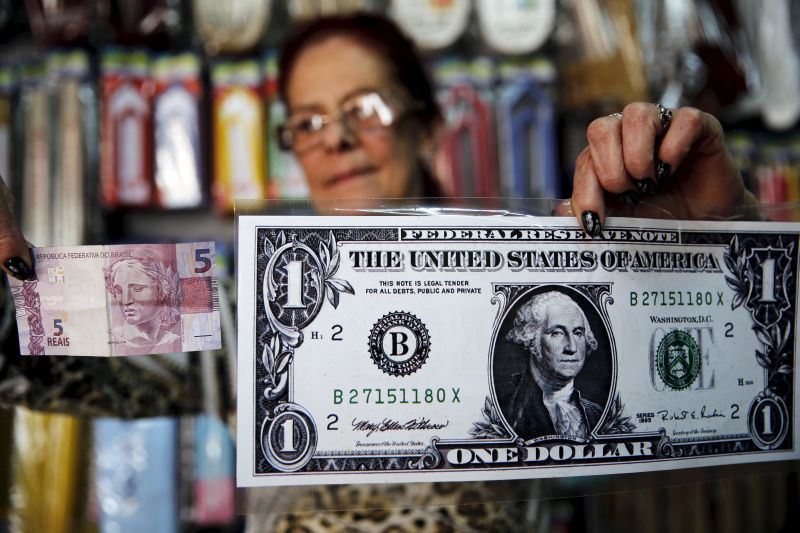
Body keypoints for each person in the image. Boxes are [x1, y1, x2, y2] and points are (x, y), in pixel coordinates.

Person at [0, 10, 764, 533]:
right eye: (307, 120)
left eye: (364, 107)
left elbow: (742, 393)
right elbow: (34, 341)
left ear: (429, 123)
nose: (334, 139)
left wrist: (707, 266)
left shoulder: (551, 273)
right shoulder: (253, 301)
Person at [503, 291, 604, 441]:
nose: (572, 347)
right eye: (557, 333)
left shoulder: (598, 414)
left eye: (578, 333)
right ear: (531, 338)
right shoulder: (507, 416)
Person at [104, 255, 183, 356]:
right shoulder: (109, 338)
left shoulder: (172, 340)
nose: (125, 301)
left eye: (137, 288)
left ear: (162, 291)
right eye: (119, 290)